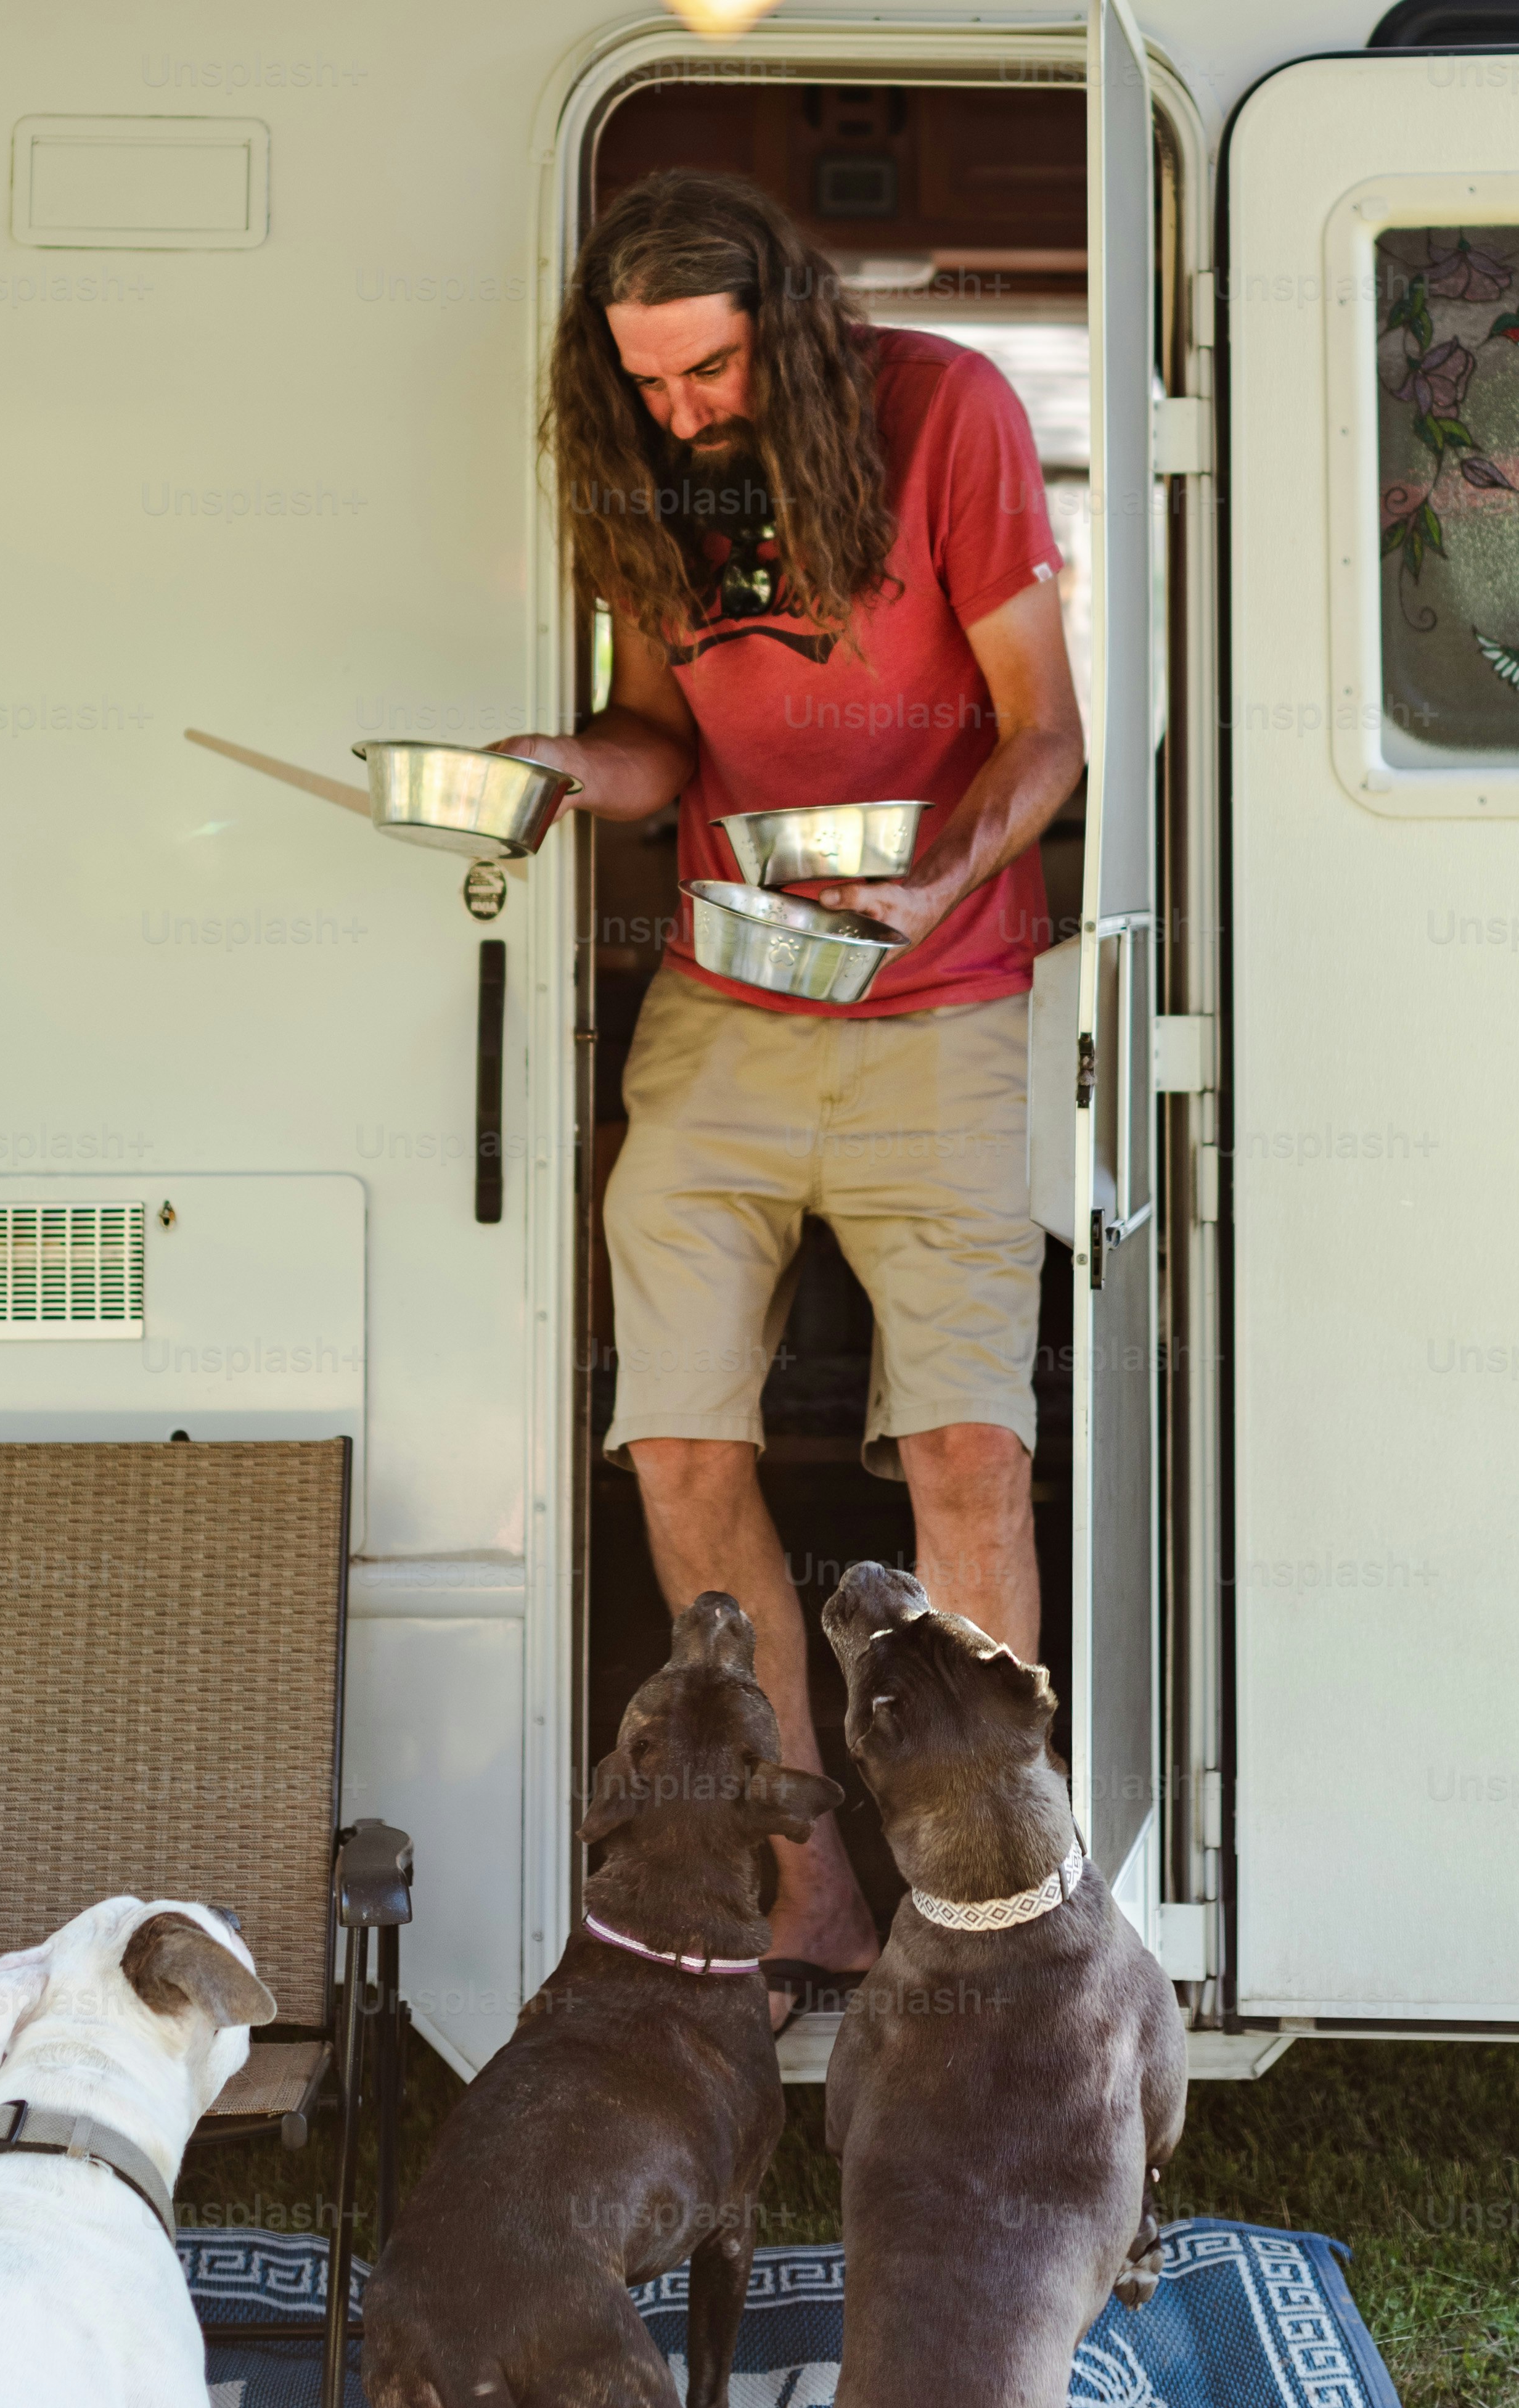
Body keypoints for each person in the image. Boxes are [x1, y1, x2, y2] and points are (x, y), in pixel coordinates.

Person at [502, 170, 1084, 2026]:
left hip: (947, 1001)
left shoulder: (948, 416)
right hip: (725, 1002)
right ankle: (812, 1892)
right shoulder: (653, 469)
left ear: (795, 326)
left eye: (710, 371)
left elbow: (1044, 730)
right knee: (680, 1444)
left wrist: (937, 881)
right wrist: (571, 763)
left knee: (965, 1455)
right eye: (648, 383)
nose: (681, 412)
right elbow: (671, 741)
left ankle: (981, 1908)